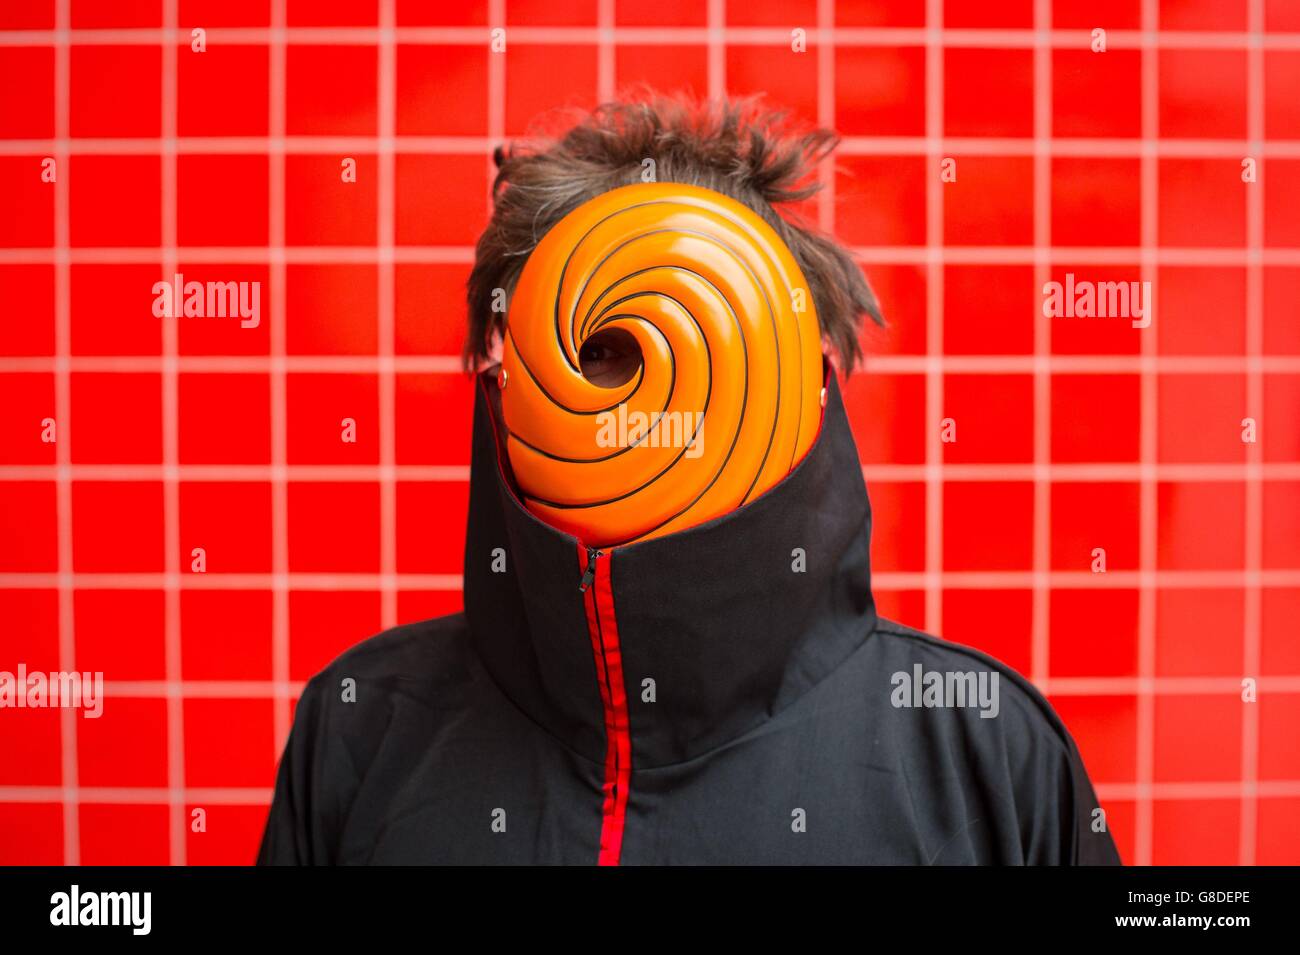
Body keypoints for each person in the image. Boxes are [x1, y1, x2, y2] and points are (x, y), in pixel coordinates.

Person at [257, 94, 1121, 865]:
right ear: (499, 376)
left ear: (810, 380)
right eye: (598, 352)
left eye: (703, 347)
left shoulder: (984, 757)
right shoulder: (363, 725)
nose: (645, 404)